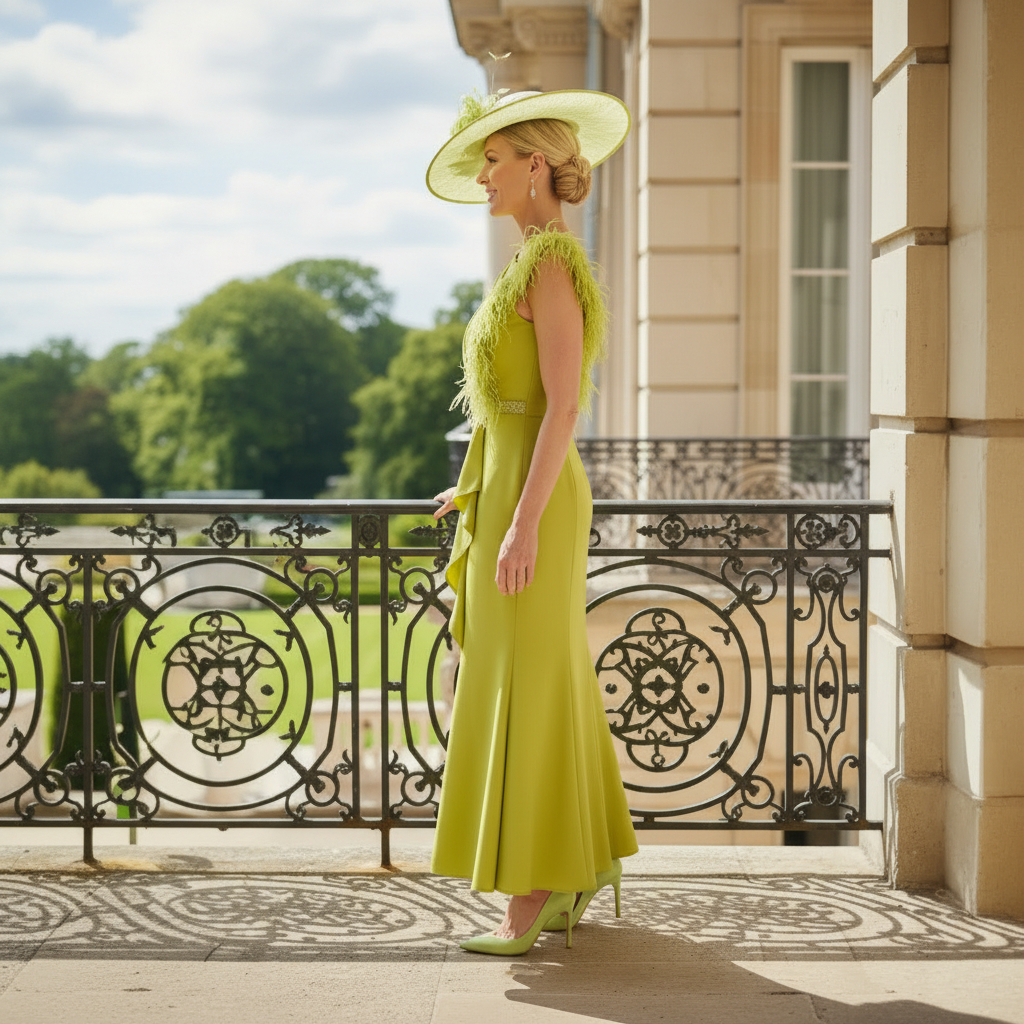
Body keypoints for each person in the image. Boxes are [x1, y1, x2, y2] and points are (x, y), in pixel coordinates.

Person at [426, 88, 639, 956]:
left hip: (538, 502)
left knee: (533, 684)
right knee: (535, 677)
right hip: (510, 490)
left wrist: (521, 525)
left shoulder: (551, 265)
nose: (483, 175)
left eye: (493, 159)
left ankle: (537, 887)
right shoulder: (528, 262)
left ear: (535, 166)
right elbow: (504, 410)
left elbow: (560, 410)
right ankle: (574, 865)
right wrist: (473, 492)